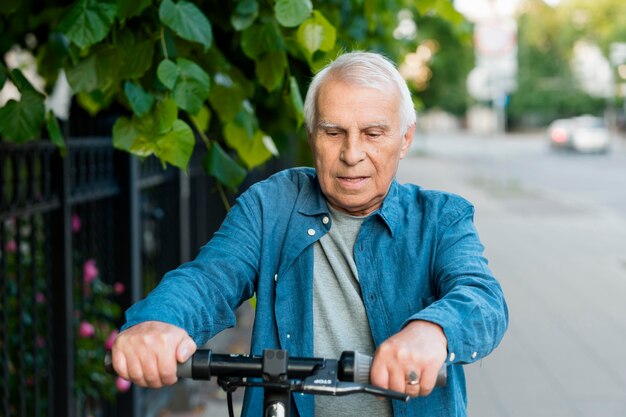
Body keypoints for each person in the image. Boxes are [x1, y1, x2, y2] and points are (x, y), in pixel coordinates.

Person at [112, 51, 508, 417]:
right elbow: (210, 278)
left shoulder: (441, 218)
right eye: (333, 132)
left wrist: (433, 331)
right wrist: (159, 322)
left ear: (405, 139)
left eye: (373, 133)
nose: (352, 154)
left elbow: (482, 297)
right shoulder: (272, 206)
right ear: (311, 135)